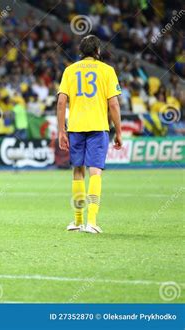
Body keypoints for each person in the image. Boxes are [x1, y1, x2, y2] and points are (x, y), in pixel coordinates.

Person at [57, 35, 122, 234]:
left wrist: (61, 130)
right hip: (98, 127)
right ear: (97, 52)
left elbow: (61, 102)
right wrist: (119, 131)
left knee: (78, 171)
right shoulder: (107, 71)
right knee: (95, 171)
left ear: (80, 52)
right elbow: (113, 104)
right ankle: (91, 222)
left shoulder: (70, 70)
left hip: (76, 127)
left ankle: (77, 221)